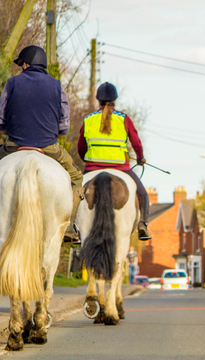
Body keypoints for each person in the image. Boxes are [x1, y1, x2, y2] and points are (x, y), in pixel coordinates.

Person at [0, 45, 84, 241]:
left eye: (22, 64)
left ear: (26, 64)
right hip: (49, 147)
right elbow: (64, 125)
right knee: (77, 178)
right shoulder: (57, 86)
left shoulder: (12, 83)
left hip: (13, 145)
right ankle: (70, 227)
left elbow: (1, 118)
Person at [77, 82, 151, 241]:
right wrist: (140, 157)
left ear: (98, 101)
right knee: (143, 194)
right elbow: (136, 142)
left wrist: (89, 159)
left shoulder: (88, 119)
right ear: (115, 101)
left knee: (73, 192)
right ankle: (143, 225)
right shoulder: (123, 119)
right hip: (121, 169)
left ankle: (71, 227)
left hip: (91, 168)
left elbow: (81, 148)